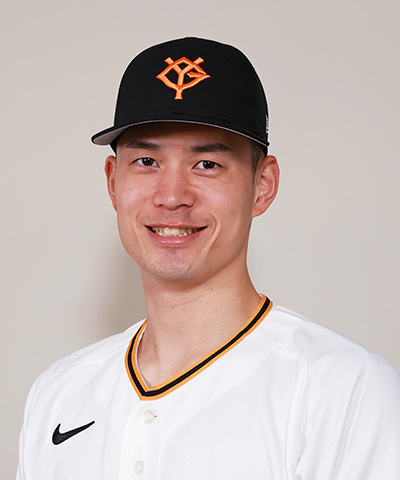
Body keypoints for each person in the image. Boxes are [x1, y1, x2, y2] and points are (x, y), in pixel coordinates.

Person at [16, 37, 400, 480]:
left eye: (207, 165)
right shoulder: (58, 394)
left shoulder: (345, 390)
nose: (172, 196)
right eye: (146, 161)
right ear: (113, 182)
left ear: (263, 186)